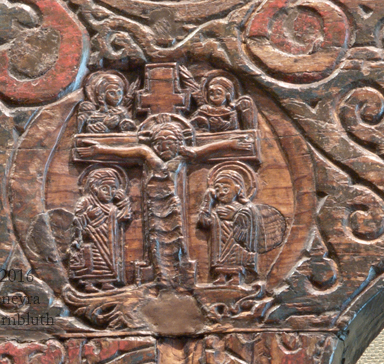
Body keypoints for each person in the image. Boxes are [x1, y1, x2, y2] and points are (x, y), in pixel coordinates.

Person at [80, 114, 254, 287]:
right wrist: (100, 149)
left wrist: (230, 144)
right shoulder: (148, 155)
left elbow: (203, 150)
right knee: (155, 241)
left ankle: (175, 279)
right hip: (153, 206)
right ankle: (160, 277)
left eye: (170, 142)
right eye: (159, 143)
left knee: (175, 240)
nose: (164, 147)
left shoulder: (182, 156)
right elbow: (127, 151)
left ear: (178, 144)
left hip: (172, 206)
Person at [197, 162, 287, 284]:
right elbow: (204, 222)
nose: (221, 193)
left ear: (237, 189)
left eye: (225, 189)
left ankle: (236, 276)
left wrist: (235, 215)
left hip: (237, 245)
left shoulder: (244, 208)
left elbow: (254, 218)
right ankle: (221, 276)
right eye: (217, 189)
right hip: (220, 247)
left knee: (238, 254)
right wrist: (207, 201)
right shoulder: (215, 211)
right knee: (220, 258)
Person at [70, 166, 131, 290]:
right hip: (91, 239)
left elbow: (123, 216)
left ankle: (106, 282)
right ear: (94, 188)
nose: (110, 192)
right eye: (105, 189)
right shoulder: (85, 202)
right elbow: (75, 222)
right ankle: (88, 283)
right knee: (92, 260)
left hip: (109, 240)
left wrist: (125, 202)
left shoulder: (111, 207)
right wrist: (88, 216)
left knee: (107, 262)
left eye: (113, 188)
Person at [190, 74, 257, 133]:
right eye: (211, 93)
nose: (215, 96)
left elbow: (234, 126)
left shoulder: (231, 110)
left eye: (218, 93)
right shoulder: (205, 109)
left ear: (227, 95)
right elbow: (191, 122)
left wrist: (222, 124)